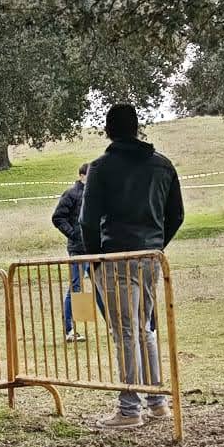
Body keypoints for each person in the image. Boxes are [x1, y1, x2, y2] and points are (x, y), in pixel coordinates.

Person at [82, 104, 185, 426]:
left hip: (117, 256)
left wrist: (95, 259)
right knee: (145, 329)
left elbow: (87, 221)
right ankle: (157, 402)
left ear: (109, 130)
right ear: (137, 127)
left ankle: (129, 408)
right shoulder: (163, 166)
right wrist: (156, 245)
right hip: (150, 258)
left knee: (125, 331)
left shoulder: (101, 168)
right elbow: (177, 215)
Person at [52, 163, 92, 340]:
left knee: (101, 287)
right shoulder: (72, 193)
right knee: (76, 287)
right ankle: (70, 329)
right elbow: (58, 217)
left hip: (94, 248)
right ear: (82, 175)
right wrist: (73, 233)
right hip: (78, 248)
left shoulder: (96, 193)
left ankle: (111, 325)